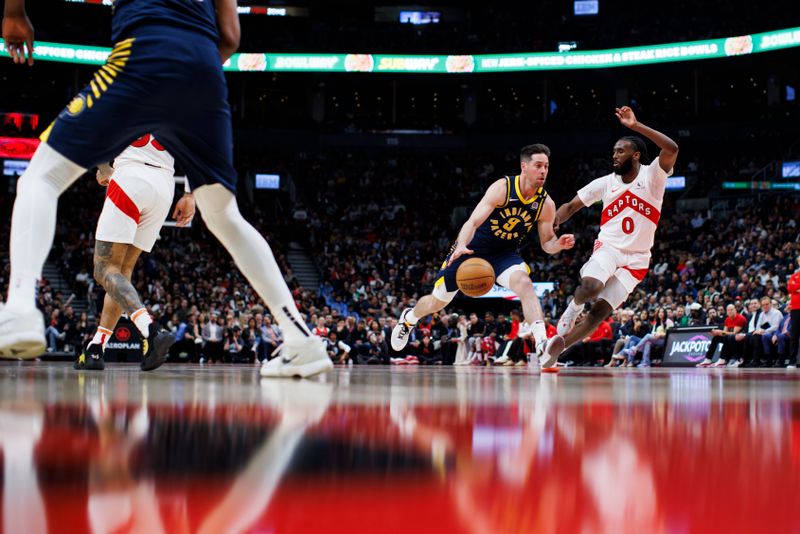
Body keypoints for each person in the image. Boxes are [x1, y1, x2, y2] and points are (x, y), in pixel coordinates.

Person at [0, 0, 330, 378]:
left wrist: (13, 12)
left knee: (41, 177)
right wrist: (189, 74)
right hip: (203, 73)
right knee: (225, 216)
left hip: (143, 55)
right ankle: (300, 338)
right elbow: (231, 37)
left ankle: (21, 306)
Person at [390, 144, 575, 360]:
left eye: (546, 166)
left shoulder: (546, 204)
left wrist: (558, 244)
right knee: (437, 301)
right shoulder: (503, 188)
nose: (543, 171)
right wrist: (460, 245)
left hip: (504, 254)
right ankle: (409, 318)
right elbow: (473, 222)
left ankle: (542, 344)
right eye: (538, 166)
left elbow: (547, 244)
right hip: (471, 249)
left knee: (524, 284)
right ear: (524, 167)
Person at [543, 107, 679, 366]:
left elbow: (671, 148)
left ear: (636, 155)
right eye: (614, 151)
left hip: (637, 259)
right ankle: (573, 308)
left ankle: (556, 350)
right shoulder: (606, 182)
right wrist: (552, 223)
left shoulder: (653, 175)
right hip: (609, 247)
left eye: (621, 150)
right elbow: (571, 206)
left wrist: (636, 126)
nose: (614, 155)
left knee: (599, 314)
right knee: (592, 286)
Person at [74, 135, 194, 371]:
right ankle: (97, 348)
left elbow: (95, 132)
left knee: (103, 269)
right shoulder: (181, 101)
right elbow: (196, 146)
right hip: (163, 187)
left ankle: (150, 329)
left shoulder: (126, 96)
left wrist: (104, 168)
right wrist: (190, 194)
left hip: (130, 177)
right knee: (122, 273)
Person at [696, 304, 747, 368]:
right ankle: (708, 359)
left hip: (740, 339)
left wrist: (719, 332)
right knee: (716, 338)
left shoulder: (740, 318)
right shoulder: (727, 319)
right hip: (730, 339)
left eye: (731, 310)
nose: (730, 311)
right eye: (728, 310)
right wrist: (716, 333)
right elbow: (724, 333)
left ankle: (722, 359)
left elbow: (734, 333)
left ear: (735, 310)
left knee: (727, 337)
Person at [787, 257, 800, 369]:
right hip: (795, 308)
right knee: (794, 335)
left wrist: (796, 289)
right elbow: (790, 287)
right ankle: (792, 361)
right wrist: (796, 289)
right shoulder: (794, 275)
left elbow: (794, 288)